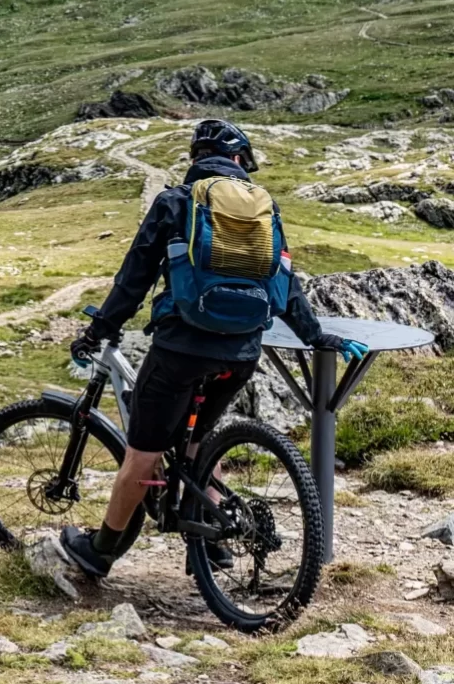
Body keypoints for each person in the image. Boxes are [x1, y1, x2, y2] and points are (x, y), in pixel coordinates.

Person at [58, 118, 367, 578]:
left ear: (196, 159)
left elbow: (134, 279)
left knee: (143, 452)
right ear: (242, 163)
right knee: (199, 442)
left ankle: (99, 551)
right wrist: (316, 336)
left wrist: (100, 329)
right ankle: (213, 544)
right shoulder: (264, 208)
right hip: (240, 354)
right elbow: (285, 284)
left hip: (181, 350)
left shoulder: (175, 202)